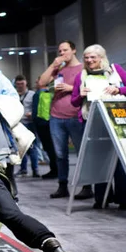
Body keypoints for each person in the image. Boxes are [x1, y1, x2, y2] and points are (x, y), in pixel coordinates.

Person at [71, 44, 126, 210]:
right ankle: (102, 198)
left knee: (120, 160)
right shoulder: (81, 76)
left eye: (93, 57)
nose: (89, 60)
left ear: (101, 58)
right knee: (98, 160)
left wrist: (118, 89)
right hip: (92, 121)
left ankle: (124, 199)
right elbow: (74, 102)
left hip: (116, 119)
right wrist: (81, 95)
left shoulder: (115, 70)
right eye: (86, 57)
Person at [38, 41, 93, 200]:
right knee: (60, 154)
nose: (63, 53)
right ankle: (63, 185)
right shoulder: (59, 68)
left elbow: (90, 88)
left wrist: (71, 88)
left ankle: (87, 186)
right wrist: (52, 65)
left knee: (81, 152)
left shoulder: (83, 68)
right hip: (56, 115)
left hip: (76, 115)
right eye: (60, 51)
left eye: (66, 50)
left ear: (74, 50)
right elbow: (42, 83)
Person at [14, 75, 41, 177]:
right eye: (18, 84)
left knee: (33, 148)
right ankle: (23, 169)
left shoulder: (32, 94)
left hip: (30, 124)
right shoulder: (13, 95)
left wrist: (32, 114)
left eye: (22, 83)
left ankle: (35, 170)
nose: (20, 86)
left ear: (26, 83)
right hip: (17, 124)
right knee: (20, 149)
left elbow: (37, 108)